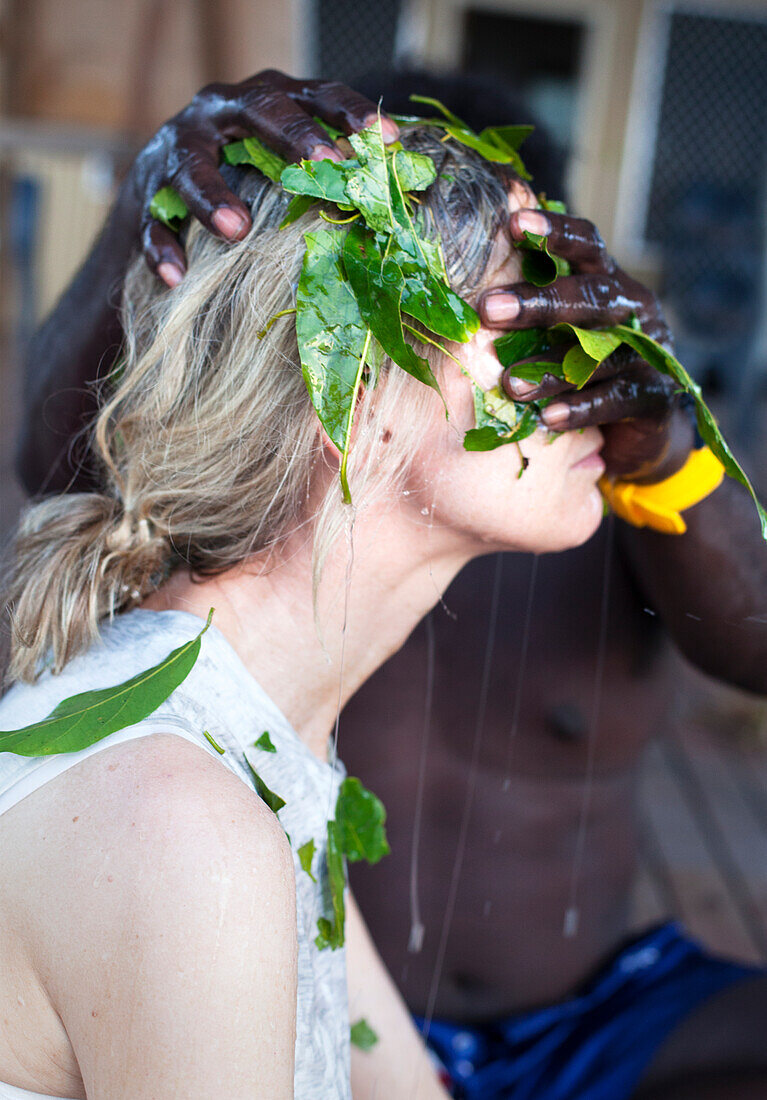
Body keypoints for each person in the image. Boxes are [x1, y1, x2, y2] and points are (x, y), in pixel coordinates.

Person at [12, 71, 767, 1099]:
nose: (597, 356)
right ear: (347, 380)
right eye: (531, 308)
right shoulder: (185, 828)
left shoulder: (274, 753)